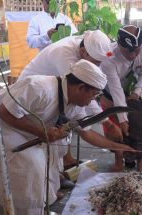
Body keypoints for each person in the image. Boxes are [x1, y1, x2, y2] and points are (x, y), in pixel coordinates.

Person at [0, 60, 134, 215]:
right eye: (93, 95)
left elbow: (87, 133)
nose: (93, 100)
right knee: (30, 165)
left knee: (51, 156)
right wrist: (41, 132)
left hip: (21, 122)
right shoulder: (39, 87)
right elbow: (5, 113)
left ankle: (42, 203)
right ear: (80, 88)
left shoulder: (75, 105)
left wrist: (119, 147)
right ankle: (22, 209)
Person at [18, 30, 123, 169]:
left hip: (53, 93)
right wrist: (107, 122)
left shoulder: (86, 50)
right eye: (96, 62)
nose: (97, 66)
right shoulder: (64, 55)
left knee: (59, 138)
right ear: (83, 52)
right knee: (41, 150)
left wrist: (107, 123)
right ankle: (59, 164)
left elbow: (87, 98)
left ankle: (63, 163)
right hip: (32, 94)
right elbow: (86, 96)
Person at [100, 25, 142, 172]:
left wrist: (136, 92)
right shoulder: (109, 57)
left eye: (137, 50)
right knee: (115, 126)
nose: (134, 55)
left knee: (137, 121)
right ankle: (119, 159)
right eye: (129, 51)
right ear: (119, 46)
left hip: (131, 90)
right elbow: (116, 90)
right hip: (110, 91)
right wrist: (123, 119)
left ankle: (140, 157)